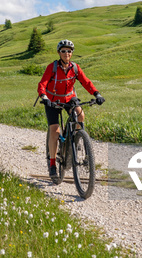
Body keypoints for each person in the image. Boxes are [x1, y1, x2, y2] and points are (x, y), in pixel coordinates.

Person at [37, 39, 105, 181]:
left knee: (81, 115)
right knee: (55, 130)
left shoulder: (75, 68)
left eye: (69, 51)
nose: (66, 53)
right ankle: (52, 165)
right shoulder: (52, 67)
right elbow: (42, 83)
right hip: (52, 100)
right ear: (59, 53)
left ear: (72, 53)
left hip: (69, 98)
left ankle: (77, 138)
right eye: (63, 51)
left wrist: (96, 94)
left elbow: (86, 82)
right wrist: (44, 97)